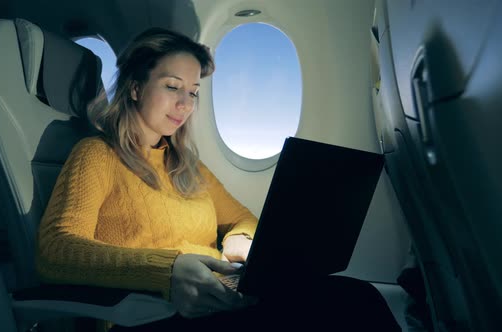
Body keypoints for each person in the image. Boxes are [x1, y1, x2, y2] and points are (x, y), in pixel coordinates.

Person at [36, 27, 401, 331]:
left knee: (353, 295)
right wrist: (169, 271)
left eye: (193, 93)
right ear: (135, 88)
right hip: (149, 314)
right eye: (172, 86)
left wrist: (239, 242)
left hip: (216, 298)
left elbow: (243, 218)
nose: (185, 104)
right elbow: (55, 250)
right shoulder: (97, 154)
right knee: (345, 308)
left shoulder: (186, 166)